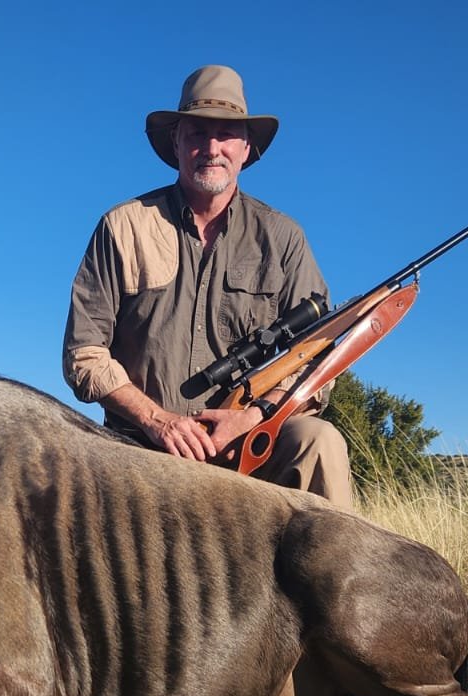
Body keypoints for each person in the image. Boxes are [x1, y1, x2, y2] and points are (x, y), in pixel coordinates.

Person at [62, 65, 354, 507]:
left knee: (318, 441)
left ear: (246, 146)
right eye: (198, 133)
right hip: (139, 444)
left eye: (226, 135)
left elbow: (320, 355)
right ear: (177, 142)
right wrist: (157, 421)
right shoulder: (124, 226)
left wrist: (254, 416)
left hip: (248, 440)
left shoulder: (283, 238)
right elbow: (83, 353)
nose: (211, 148)